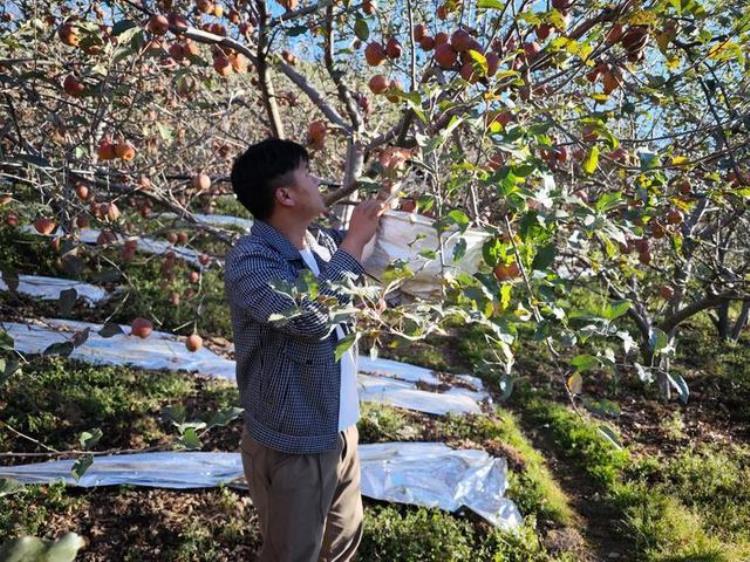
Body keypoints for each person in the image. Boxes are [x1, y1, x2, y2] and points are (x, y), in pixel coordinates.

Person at [225, 138, 385, 561]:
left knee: (342, 544)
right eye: (308, 173)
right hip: (294, 445)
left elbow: (375, 257)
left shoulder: (323, 248)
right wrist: (353, 245)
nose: (318, 180)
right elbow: (310, 320)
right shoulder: (251, 262)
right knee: (293, 554)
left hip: (340, 429)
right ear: (285, 195)